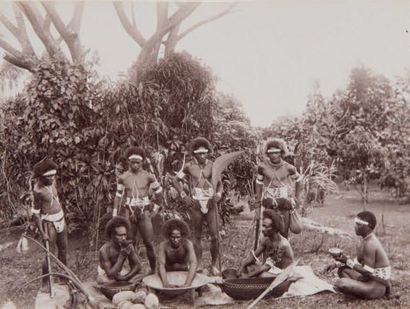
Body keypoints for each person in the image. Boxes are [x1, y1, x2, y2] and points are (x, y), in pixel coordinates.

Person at [172, 137, 223, 275]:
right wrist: (184, 196)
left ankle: (213, 265)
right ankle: (198, 263)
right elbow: (176, 180)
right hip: (196, 204)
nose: (202, 156)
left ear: (208, 152)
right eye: (199, 153)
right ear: (194, 154)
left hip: (211, 203)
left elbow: (219, 184)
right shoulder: (189, 166)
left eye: (204, 153)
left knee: (215, 236)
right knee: (197, 236)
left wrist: (218, 195)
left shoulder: (213, 165)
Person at [113, 146, 164, 273]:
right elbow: (118, 196)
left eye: (138, 162)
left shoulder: (148, 176)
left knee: (149, 243)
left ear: (142, 163)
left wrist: (156, 209)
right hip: (129, 212)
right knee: (130, 243)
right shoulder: (123, 177)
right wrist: (114, 214)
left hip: (144, 212)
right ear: (128, 162)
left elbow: (159, 192)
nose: (135, 165)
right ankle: (135, 271)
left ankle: (154, 270)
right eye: (133, 162)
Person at [331, 211, 391, 299]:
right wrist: (337, 263)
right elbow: (357, 262)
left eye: (359, 224)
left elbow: (367, 272)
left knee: (340, 283)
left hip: (377, 285)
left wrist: (347, 261)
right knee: (342, 270)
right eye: (356, 223)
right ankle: (357, 291)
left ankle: (361, 293)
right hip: (369, 279)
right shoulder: (366, 240)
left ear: (368, 227)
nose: (356, 226)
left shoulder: (370, 244)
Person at [255, 138, 303, 238]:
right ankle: (268, 251)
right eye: (271, 153)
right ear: (267, 153)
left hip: (284, 202)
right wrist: (258, 201)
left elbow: (299, 181)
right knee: (268, 229)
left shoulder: (289, 167)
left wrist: (297, 198)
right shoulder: (262, 167)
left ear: (281, 152)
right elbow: (258, 183)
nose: (273, 155)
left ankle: (283, 251)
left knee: (283, 230)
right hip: (268, 201)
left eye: (276, 152)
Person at [31, 159, 68, 289]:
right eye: (49, 176)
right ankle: (45, 283)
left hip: (61, 219)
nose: (52, 178)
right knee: (49, 254)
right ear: (41, 177)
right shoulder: (37, 190)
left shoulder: (52, 182)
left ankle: (63, 277)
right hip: (49, 224)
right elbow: (36, 214)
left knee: (63, 249)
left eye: (53, 175)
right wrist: (42, 233)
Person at [238, 209, 294, 278]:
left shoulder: (283, 244)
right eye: (263, 226)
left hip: (284, 272)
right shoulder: (266, 240)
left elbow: (267, 266)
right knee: (249, 266)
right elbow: (253, 256)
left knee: (262, 275)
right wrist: (243, 266)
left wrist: (248, 276)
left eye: (266, 226)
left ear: (274, 229)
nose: (262, 229)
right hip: (273, 269)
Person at [98, 217, 142, 284]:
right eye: (120, 235)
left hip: (120, 273)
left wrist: (125, 277)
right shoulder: (104, 250)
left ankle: (124, 282)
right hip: (106, 275)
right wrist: (121, 256)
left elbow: (138, 266)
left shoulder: (127, 245)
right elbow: (110, 275)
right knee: (111, 283)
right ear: (112, 235)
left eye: (125, 235)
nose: (124, 238)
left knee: (141, 275)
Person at [158, 219, 198, 288]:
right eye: (173, 237)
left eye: (178, 237)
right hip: (168, 272)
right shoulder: (163, 245)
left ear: (182, 236)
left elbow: (193, 263)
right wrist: (165, 284)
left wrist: (187, 284)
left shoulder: (188, 244)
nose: (175, 240)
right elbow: (161, 264)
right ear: (169, 236)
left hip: (184, 271)